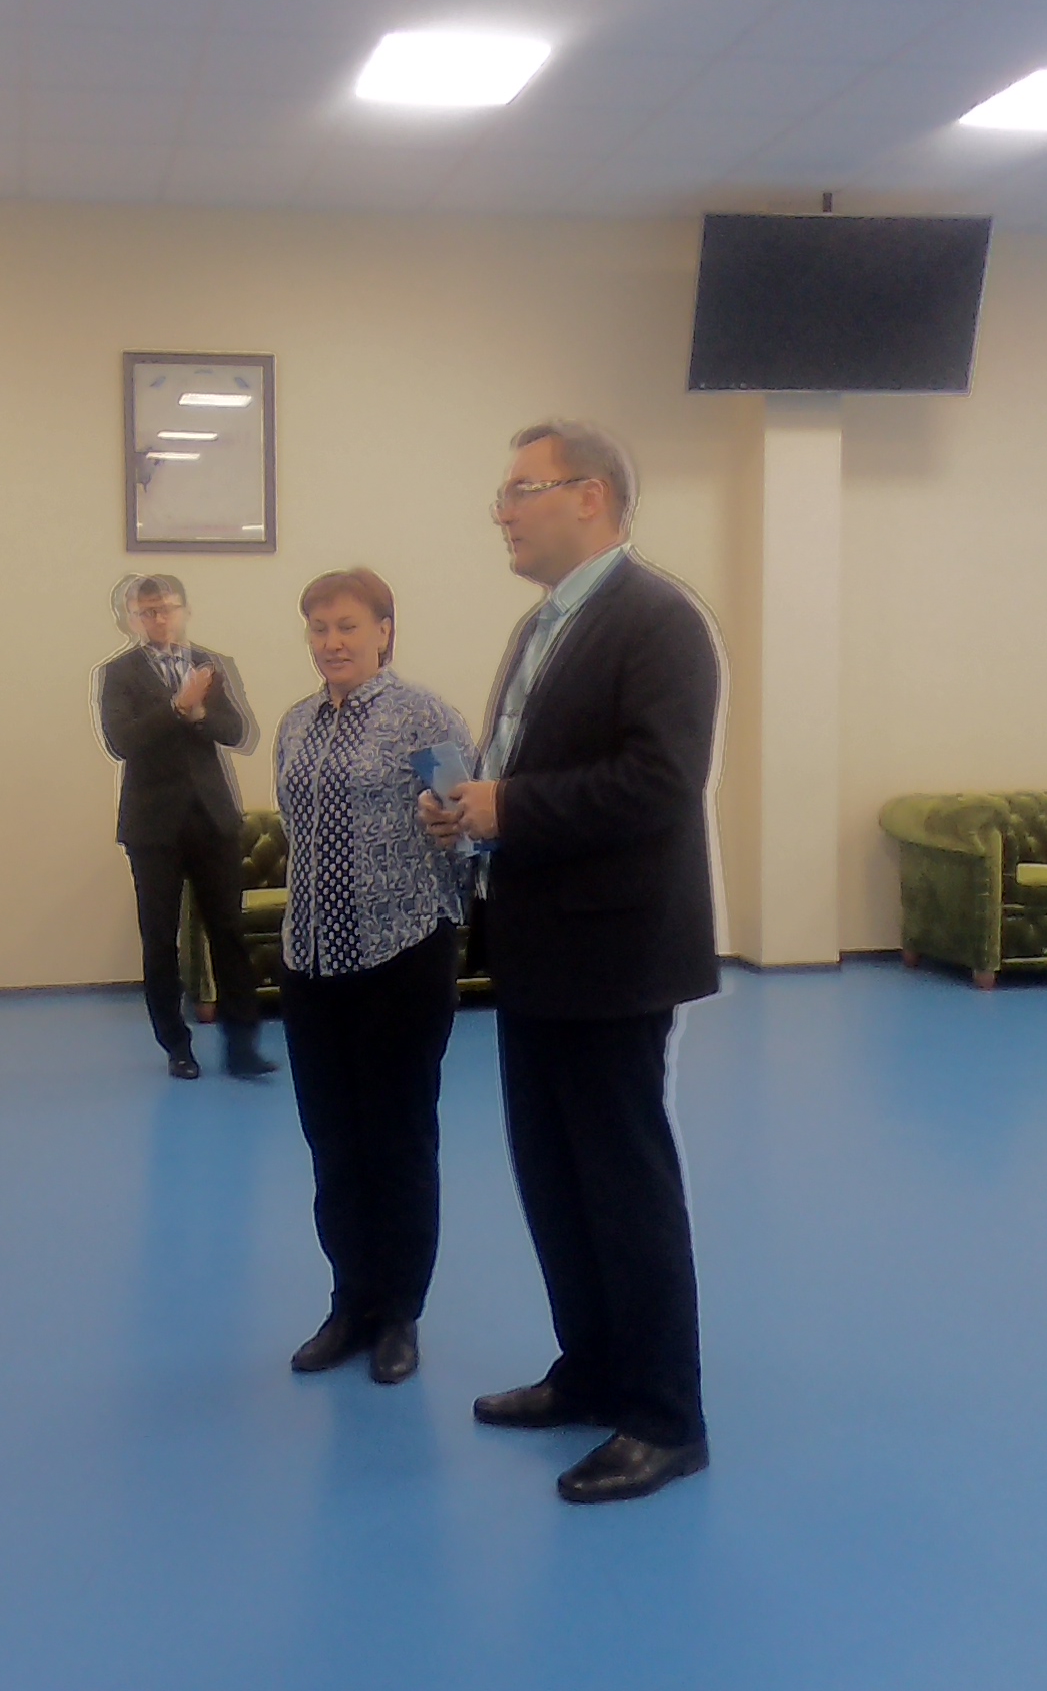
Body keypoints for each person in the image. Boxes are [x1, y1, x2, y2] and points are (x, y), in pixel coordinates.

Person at [422, 421, 722, 1505]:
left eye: (520, 489)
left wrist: (512, 806)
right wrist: (471, 808)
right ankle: (592, 1371)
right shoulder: (544, 624)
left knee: (623, 1185)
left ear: (590, 495)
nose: (502, 511)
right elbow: (528, 765)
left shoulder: (660, 619)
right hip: (538, 944)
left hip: (615, 951)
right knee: (554, 1178)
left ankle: (665, 1419)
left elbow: (659, 781)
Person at [272, 570, 475, 1386]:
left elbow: (468, 830)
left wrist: (449, 834)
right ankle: (350, 1303)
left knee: (397, 1140)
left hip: (402, 954)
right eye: (319, 628)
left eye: (349, 626)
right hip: (311, 962)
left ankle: (399, 1313)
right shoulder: (296, 724)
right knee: (333, 1142)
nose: (333, 642)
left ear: (385, 630)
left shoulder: (425, 715)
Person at [96, 574, 273, 1080]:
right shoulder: (118, 674)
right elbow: (121, 741)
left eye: (168, 608)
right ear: (131, 620)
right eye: (148, 611)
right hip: (152, 826)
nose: (160, 619)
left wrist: (198, 714)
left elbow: (237, 731)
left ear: (184, 610)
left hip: (212, 818)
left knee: (228, 931)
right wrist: (176, 707)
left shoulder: (211, 665)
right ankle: (177, 1046)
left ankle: (242, 1046)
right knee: (159, 938)